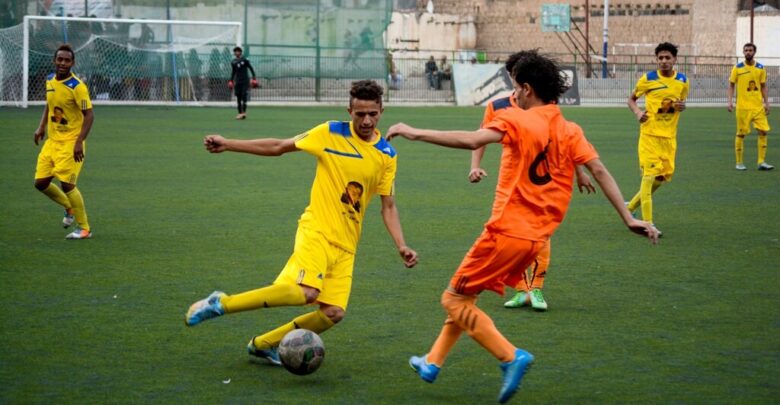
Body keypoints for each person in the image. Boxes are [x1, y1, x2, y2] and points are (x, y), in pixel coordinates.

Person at [387, 50, 659, 404]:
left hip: (505, 232)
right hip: (536, 240)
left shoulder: (519, 120)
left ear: (528, 89)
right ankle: (433, 362)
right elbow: (600, 171)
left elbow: (471, 140)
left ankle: (510, 356)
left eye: (516, 88)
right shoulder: (570, 129)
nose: (513, 95)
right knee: (467, 294)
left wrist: (412, 131)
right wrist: (628, 218)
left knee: (452, 299)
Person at [185, 80, 418, 366]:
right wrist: (229, 144)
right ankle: (220, 303)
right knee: (306, 292)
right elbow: (279, 146)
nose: (366, 120)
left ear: (382, 111)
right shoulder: (330, 133)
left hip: (347, 244)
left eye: (373, 113)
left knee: (333, 313)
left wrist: (401, 245)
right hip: (317, 229)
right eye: (360, 114)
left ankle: (263, 344)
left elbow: (388, 205)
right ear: (349, 110)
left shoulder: (387, 155)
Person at [469, 53, 596, 312]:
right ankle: (520, 289)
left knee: (540, 235)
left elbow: (562, 140)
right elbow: (479, 137)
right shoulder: (498, 106)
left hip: (542, 180)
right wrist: (475, 166)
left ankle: (536, 289)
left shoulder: (541, 103)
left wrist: (580, 171)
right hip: (509, 181)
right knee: (507, 237)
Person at [33, 44, 95, 240]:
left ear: (72, 63)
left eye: (67, 60)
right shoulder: (50, 80)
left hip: (70, 142)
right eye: (60, 59)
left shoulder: (77, 87)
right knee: (40, 183)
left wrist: (79, 142)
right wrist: (41, 127)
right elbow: (50, 105)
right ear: (54, 60)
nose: (62, 63)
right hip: (52, 142)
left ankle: (84, 228)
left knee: (67, 185)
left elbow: (90, 115)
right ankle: (69, 207)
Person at [625, 42, 689, 232]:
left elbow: (679, 103)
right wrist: (638, 113)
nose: (663, 61)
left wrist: (681, 107)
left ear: (674, 59)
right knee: (648, 177)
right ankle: (648, 223)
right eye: (660, 58)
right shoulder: (648, 79)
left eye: (667, 57)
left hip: (669, 139)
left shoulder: (683, 81)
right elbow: (631, 100)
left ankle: (629, 208)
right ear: (656, 60)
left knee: (660, 179)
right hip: (649, 136)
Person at [727, 42, 773, 171]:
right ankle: (739, 162)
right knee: (741, 134)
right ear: (743, 52)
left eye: (750, 50)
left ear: (754, 52)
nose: (748, 52)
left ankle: (761, 162)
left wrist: (766, 102)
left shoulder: (760, 68)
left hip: (758, 107)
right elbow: (731, 85)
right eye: (746, 50)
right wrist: (730, 101)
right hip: (743, 107)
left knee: (763, 131)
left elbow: (763, 86)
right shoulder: (737, 68)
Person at [229, 46, 258, 120]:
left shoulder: (245, 60)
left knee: (244, 95)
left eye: (238, 51)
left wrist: (254, 78)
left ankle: (244, 112)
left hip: (245, 80)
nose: (237, 52)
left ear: (240, 52)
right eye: (235, 51)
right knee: (238, 97)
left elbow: (251, 68)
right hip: (238, 81)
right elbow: (233, 72)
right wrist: (231, 80)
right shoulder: (233, 62)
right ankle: (240, 113)